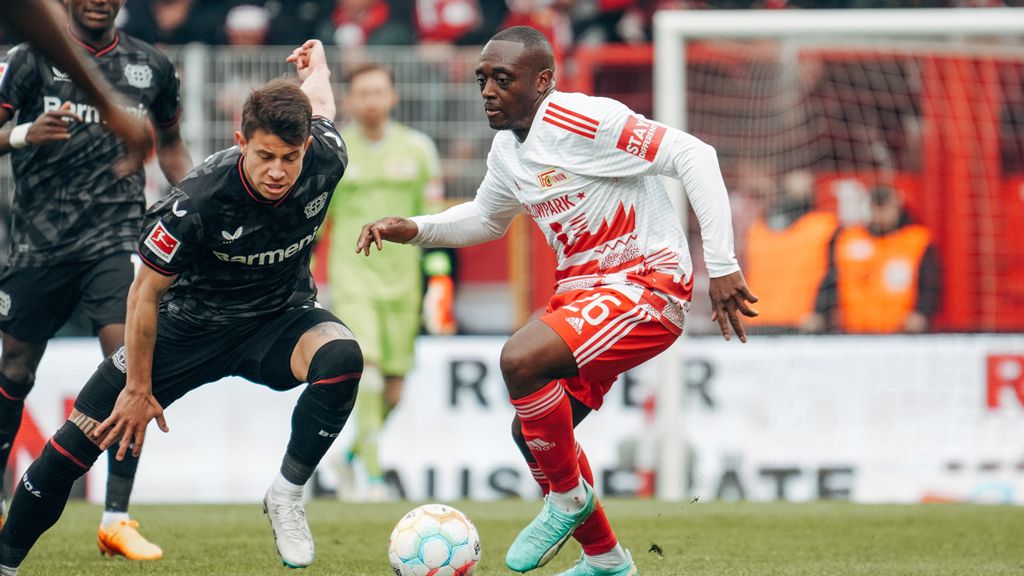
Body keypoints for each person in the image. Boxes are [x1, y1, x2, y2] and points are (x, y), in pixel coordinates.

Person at [357, 25, 757, 576]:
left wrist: (723, 264)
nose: (488, 91)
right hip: (585, 294)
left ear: (543, 81)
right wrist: (414, 228)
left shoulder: (581, 119)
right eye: (482, 80)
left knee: (520, 359)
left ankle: (567, 502)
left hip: (646, 284)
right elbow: (484, 219)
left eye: (503, 78)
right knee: (534, 433)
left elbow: (694, 154)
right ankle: (607, 560)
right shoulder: (507, 151)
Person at [0, 39, 357, 574]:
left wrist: (320, 66)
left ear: (307, 146)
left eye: (291, 156)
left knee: (343, 358)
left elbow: (322, 105)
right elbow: (144, 295)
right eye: (265, 156)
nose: (279, 171)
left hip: (277, 320)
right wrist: (139, 390)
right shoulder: (198, 200)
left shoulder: (326, 154)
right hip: (188, 327)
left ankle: (285, 494)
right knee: (80, 440)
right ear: (241, 142)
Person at [0, 0, 193, 560]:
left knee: (129, 362)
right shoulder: (29, 59)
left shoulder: (151, 66)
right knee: (14, 369)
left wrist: (194, 207)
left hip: (114, 239)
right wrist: (21, 135)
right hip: (37, 244)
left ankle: (116, 517)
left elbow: (172, 147)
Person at [327, 62, 451, 501]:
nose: (372, 101)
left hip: (403, 283)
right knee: (371, 375)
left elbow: (434, 222)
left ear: (392, 97)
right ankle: (374, 480)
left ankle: (351, 458)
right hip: (353, 276)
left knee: (394, 390)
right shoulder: (336, 150)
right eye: (363, 93)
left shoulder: (418, 149)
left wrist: (439, 282)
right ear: (350, 100)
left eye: (379, 92)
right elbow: (320, 222)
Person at [0, 0, 150, 168]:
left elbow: (171, 145)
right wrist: (25, 134)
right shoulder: (26, 58)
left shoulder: (151, 62)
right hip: (46, 192)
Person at [807, 185, 940, 334]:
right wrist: (818, 312)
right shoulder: (849, 239)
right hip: (854, 331)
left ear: (897, 207)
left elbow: (930, 283)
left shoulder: (915, 241)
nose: (881, 214)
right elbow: (831, 280)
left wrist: (922, 313)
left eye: (885, 207)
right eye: (876, 207)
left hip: (900, 333)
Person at [743, 169, 838, 334]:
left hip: (801, 323)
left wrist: (821, 312)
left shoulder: (823, 227)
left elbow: (832, 276)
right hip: (758, 320)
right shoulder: (757, 227)